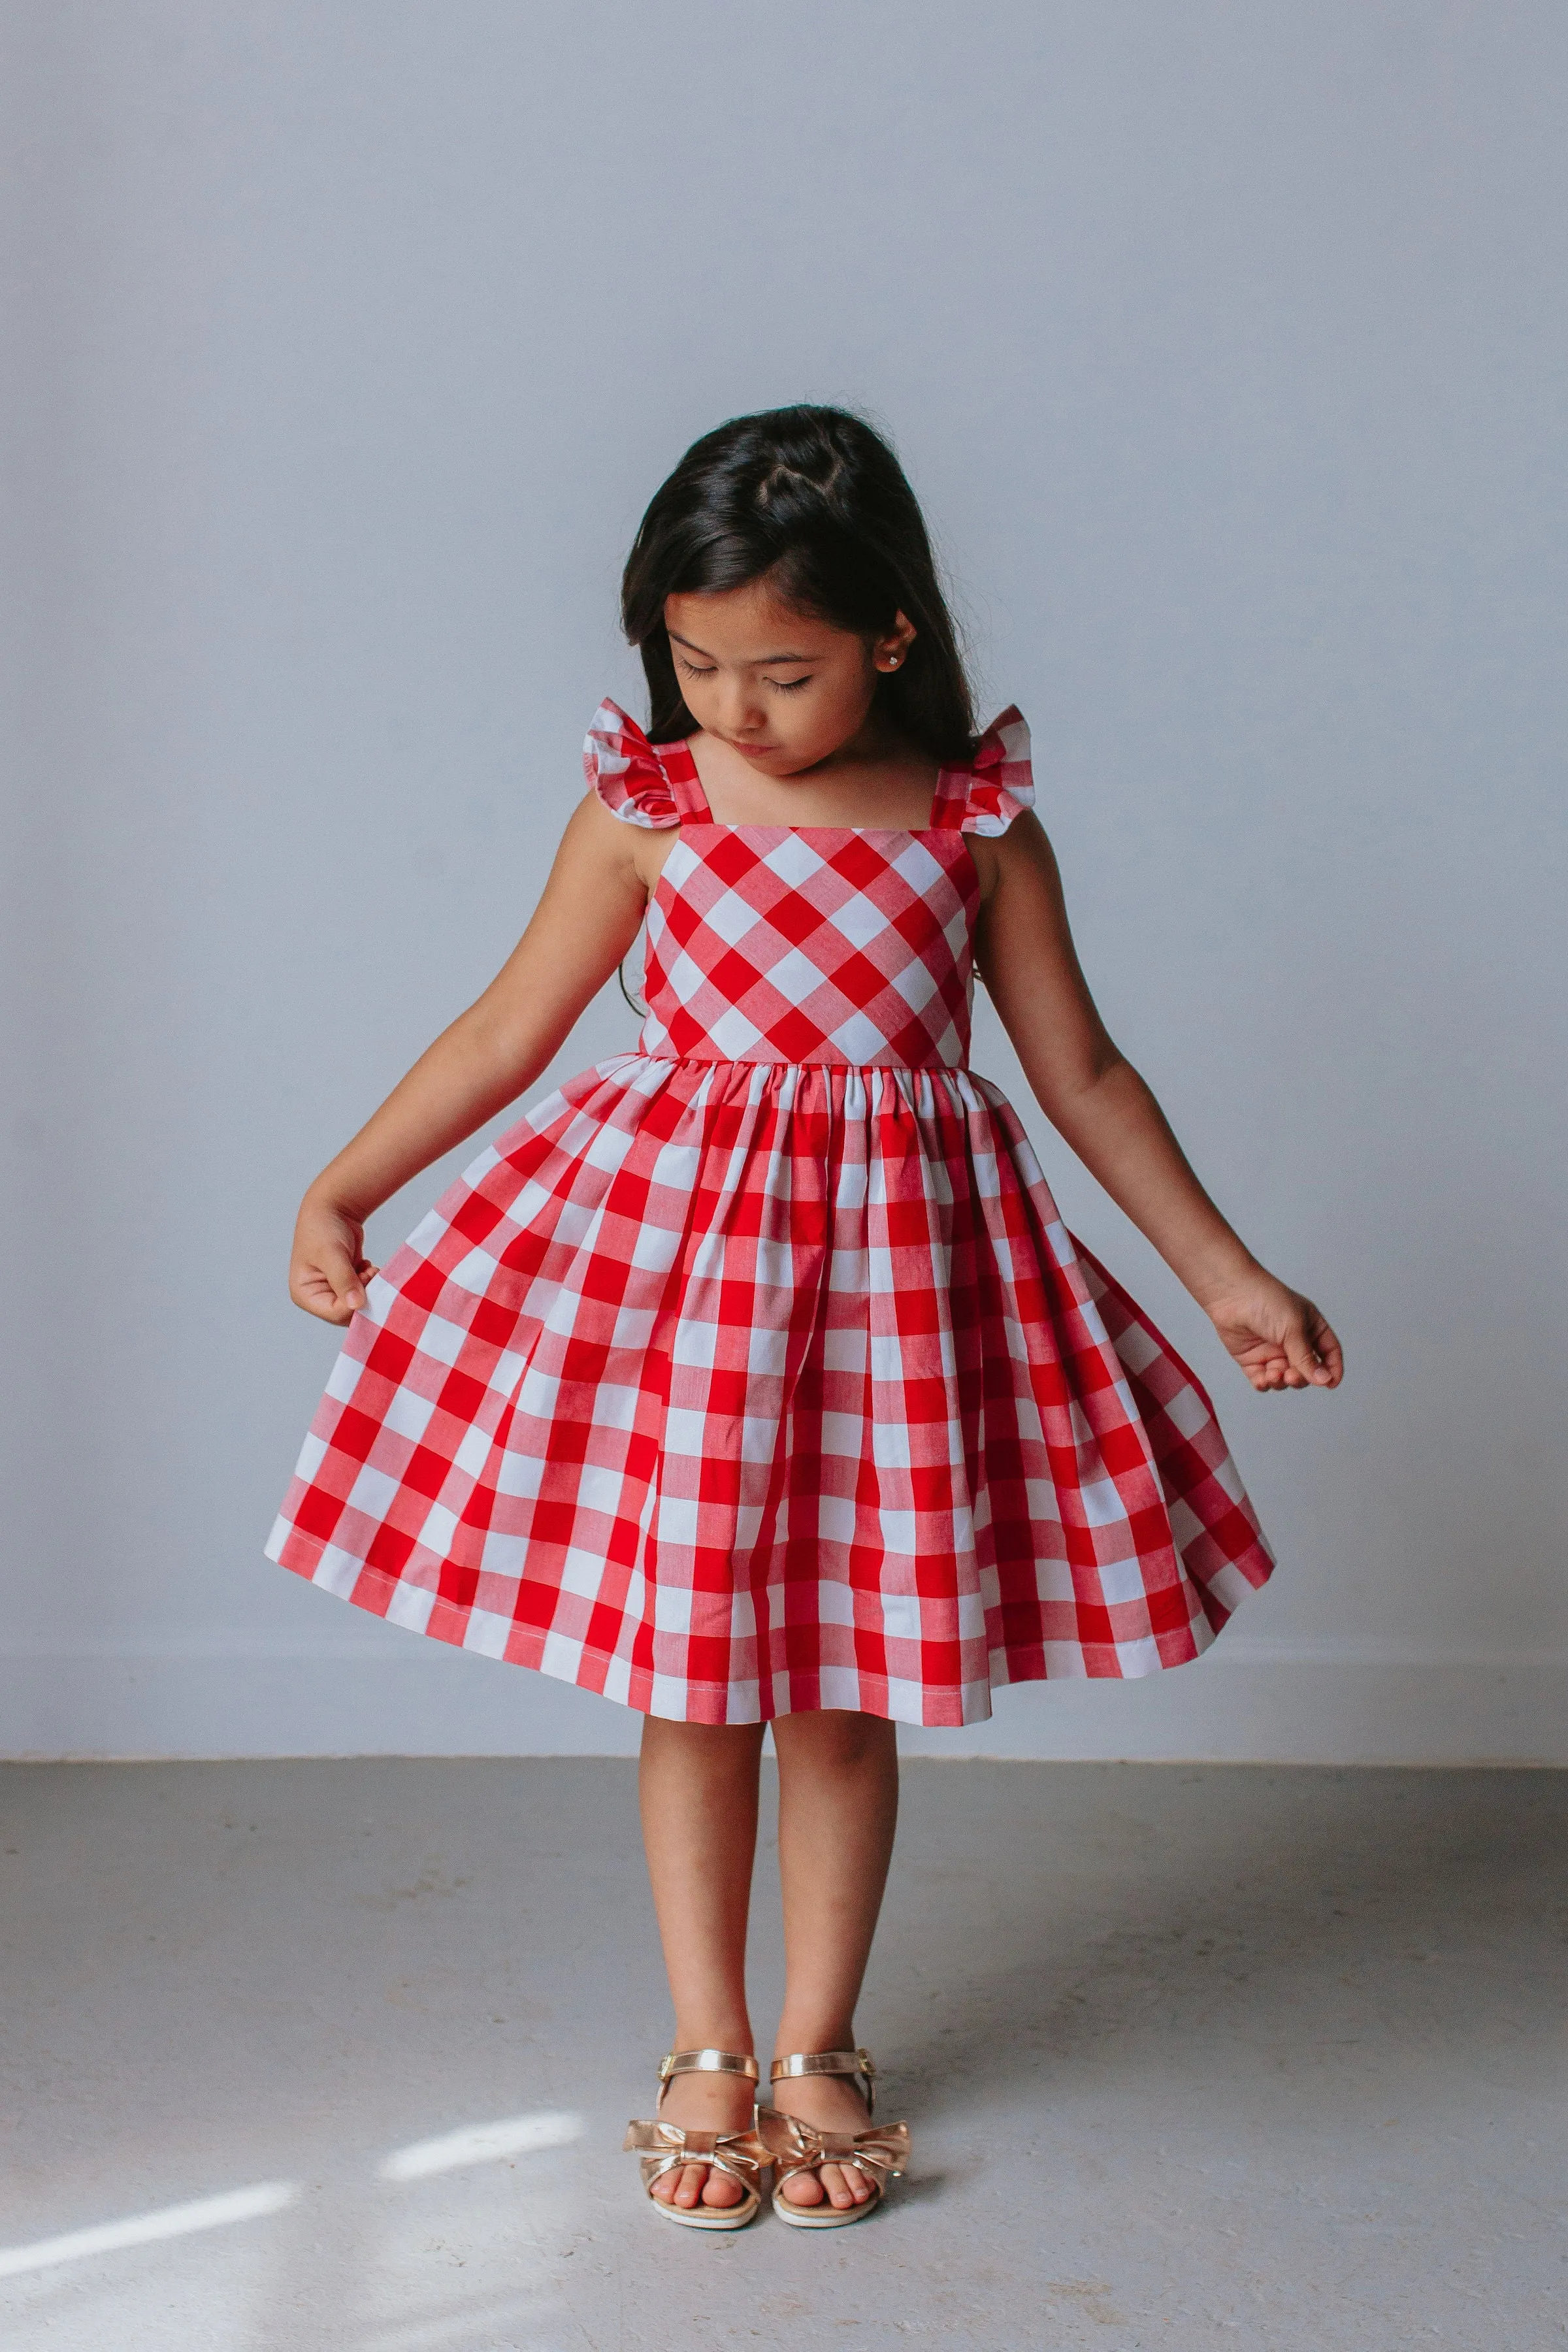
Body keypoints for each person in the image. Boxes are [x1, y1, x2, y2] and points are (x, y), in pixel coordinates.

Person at [268, 404, 1342, 2232]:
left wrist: (1228, 1275)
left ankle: (818, 2042)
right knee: (696, 1678)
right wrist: (345, 1181)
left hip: (898, 1312)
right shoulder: (650, 810)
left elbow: (1079, 1071)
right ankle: (703, 2041)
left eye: (784, 671)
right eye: (695, 665)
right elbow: (505, 1029)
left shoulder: (972, 828)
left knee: (847, 1690)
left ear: (894, 638)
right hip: (682, 1300)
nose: (735, 713)